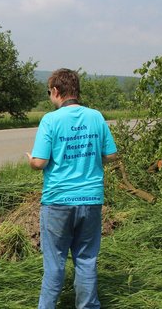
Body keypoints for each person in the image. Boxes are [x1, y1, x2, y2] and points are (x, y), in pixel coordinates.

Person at [26, 68, 118, 309]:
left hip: (57, 201)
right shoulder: (96, 117)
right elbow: (111, 155)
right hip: (91, 199)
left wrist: (30, 160)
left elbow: (40, 162)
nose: (49, 96)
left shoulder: (50, 120)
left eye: (49, 92)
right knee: (87, 260)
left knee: (54, 263)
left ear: (56, 91)